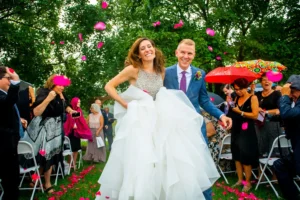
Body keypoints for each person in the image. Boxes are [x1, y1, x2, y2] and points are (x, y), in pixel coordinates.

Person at [96, 38, 219, 200]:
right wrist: (124, 103)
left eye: (150, 46)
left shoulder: (161, 71)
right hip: (140, 122)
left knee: (161, 163)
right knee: (140, 161)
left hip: (157, 121)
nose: (147, 50)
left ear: (154, 49)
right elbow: (109, 86)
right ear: (138, 54)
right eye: (143, 48)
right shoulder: (133, 69)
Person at [164, 39, 232, 199]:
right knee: (175, 165)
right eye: (183, 52)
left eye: (189, 53)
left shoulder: (199, 74)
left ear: (193, 55)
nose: (185, 56)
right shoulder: (165, 73)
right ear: (176, 53)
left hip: (194, 128)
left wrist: (221, 115)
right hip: (172, 128)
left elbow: (204, 100)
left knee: (199, 165)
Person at [22, 74, 75, 194]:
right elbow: (36, 112)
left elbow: (65, 106)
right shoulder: (44, 92)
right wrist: (48, 99)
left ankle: (37, 181)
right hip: (43, 130)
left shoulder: (60, 95)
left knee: (49, 156)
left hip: (55, 130)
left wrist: (70, 110)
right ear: (52, 83)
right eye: (60, 85)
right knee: (43, 157)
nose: (62, 87)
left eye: (64, 86)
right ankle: (45, 183)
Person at [229, 78, 259, 192]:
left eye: (239, 89)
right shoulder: (236, 98)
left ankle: (248, 183)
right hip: (236, 129)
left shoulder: (253, 98)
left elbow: (255, 115)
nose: (237, 91)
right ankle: (240, 180)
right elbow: (233, 112)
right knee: (237, 156)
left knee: (245, 157)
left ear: (245, 87)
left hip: (247, 131)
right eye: (235, 89)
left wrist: (240, 112)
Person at [273, 76, 300, 200]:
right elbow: (286, 114)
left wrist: (284, 96)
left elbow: (287, 113)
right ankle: (292, 195)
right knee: (279, 165)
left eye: (292, 91)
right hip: (296, 145)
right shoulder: (295, 101)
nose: (291, 94)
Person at [0, 67, 24, 200]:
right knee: (10, 180)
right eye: (8, 79)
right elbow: (7, 103)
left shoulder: (3, 95)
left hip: (8, 143)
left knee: (11, 180)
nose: (10, 81)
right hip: (5, 144)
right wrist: (16, 82)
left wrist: (18, 120)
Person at [255, 73, 282, 157]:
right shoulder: (257, 94)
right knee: (261, 148)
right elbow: (253, 108)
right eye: (264, 80)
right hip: (260, 124)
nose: (266, 82)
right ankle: (261, 169)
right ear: (261, 82)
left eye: (269, 79)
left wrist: (265, 112)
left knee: (273, 149)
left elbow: (279, 110)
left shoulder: (277, 94)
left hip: (273, 124)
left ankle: (273, 169)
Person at [63, 97, 93, 169]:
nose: (79, 104)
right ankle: (70, 163)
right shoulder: (68, 111)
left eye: (80, 102)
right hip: (70, 132)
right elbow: (69, 120)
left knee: (76, 149)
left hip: (77, 133)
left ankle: (73, 164)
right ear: (74, 103)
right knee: (70, 149)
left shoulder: (79, 110)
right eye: (78, 102)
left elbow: (81, 119)